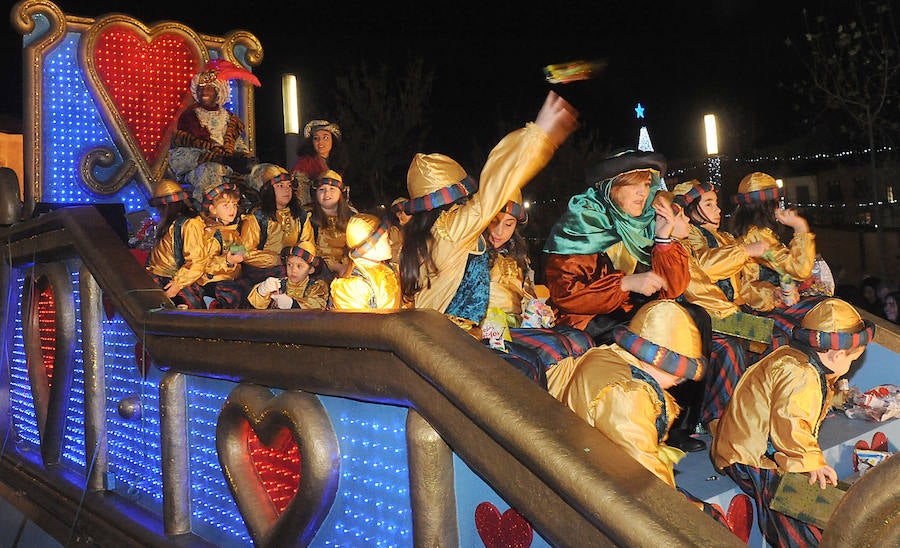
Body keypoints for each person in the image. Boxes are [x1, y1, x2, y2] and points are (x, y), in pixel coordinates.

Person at [546, 299, 750, 538]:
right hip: (601, 500)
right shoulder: (630, 393)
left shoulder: (606, 356)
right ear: (655, 357)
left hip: (589, 472)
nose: (682, 379)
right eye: (678, 370)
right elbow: (646, 481)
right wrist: (699, 514)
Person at [398, 91, 579, 341]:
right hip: (451, 347)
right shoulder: (450, 229)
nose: (499, 231)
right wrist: (536, 136)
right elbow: (496, 184)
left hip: (451, 340)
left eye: (509, 224)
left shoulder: (428, 237)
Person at [710, 298, 875, 547]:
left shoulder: (798, 360)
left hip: (763, 445)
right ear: (836, 353)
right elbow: (790, 419)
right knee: (792, 500)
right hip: (750, 455)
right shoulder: (800, 372)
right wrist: (810, 461)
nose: (850, 366)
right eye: (852, 360)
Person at [541, 149, 690, 346]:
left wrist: (663, 240)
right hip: (588, 324)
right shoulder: (584, 223)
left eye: (646, 184)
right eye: (634, 183)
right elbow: (565, 294)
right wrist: (625, 284)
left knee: (693, 319)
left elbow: (672, 290)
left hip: (633, 317)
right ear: (610, 187)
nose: (642, 192)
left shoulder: (646, 226)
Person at [672, 181, 773, 427]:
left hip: (727, 313)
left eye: (716, 204)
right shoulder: (686, 238)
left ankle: (760, 407)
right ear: (689, 209)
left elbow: (746, 284)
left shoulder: (725, 238)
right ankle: (720, 420)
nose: (718, 211)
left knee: (777, 334)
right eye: (709, 204)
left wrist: (774, 294)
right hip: (703, 317)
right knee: (741, 344)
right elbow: (703, 270)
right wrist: (744, 250)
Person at [480, 192, 594, 386]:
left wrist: (540, 310)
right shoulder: (474, 252)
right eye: (493, 221)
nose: (499, 232)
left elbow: (527, 297)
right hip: (485, 329)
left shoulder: (518, 258)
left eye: (508, 224)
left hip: (516, 326)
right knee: (554, 349)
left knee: (581, 340)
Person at [729, 172, 819, 338]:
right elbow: (800, 269)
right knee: (823, 311)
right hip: (761, 310)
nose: (780, 207)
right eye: (777, 203)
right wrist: (800, 227)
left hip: (765, 300)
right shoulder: (756, 234)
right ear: (767, 206)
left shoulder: (754, 231)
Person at [168, 59, 260, 188]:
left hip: (229, 165)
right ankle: (210, 207)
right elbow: (180, 154)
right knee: (213, 170)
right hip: (200, 168)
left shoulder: (229, 118)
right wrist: (215, 158)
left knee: (261, 172)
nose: (204, 92)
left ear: (218, 91)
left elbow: (237, 144)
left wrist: (244, 157)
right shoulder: (189, 117)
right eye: (200, 89)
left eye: (209, 89)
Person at [240, 163, 315, 285]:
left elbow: (308, 244)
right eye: (280, 186)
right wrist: (276, 259)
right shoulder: (256, 217)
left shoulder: (300, 215)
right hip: (264, 271)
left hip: (295, 268)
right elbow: (242, 251)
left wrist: (298, 261)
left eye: (289, 186)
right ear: (269, 190)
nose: (286, 190)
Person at [145, 179, 206, 308]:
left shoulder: (190, 224)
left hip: (177, 284)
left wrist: (177, 284)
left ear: (166, 207)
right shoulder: (168, 223)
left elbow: (196, 261)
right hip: (160, 281)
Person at [330, 213, 403, 310]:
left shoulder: (390, 270)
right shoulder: (353, 286)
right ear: (370, 246)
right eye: (386, 238)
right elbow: (357, 323)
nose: (391, 242)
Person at [193, 178, 246, 308]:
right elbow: (204, 265)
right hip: (211, 283)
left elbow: (238, 262)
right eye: (225, 205)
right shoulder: (210, 233)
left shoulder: (234, 232)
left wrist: (236, 262)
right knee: (233, 294)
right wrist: (227, 261)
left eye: (234, 205)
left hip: (229, 280)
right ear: (213, 209)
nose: (231, 210)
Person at [309, 169, 357, 282]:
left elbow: (356, 248)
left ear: (341, 193)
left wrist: (346, 267)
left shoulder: (352, 217)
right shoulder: (308, 217)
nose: (327, 194)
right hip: (316, 269)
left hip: (347, 268)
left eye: (332, 189)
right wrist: (334, 266)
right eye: (322, 189)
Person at [248, 246, 329, 310]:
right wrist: (262, 291)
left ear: (311, 269)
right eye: (289, 265)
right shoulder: (279, 283)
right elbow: (258, 305)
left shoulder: (317, 286)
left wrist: (292, 304)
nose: (293, 270)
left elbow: (318, 304)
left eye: (299, 266)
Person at [291, 119, 349, 206]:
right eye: (316, 138)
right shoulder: (304, 163)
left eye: (325, 137)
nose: (320, 142)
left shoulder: (338, 162)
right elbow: (300, 195)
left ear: (333, 140)